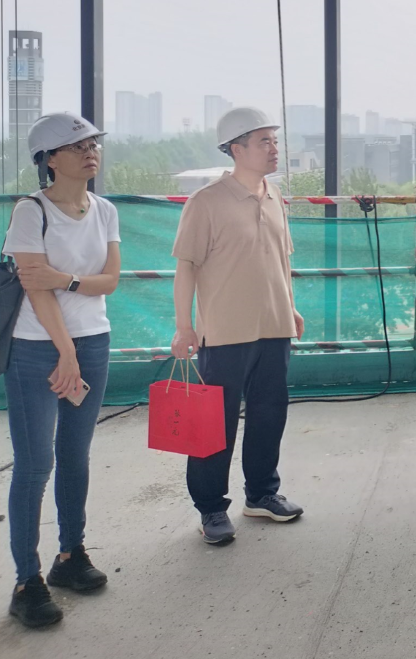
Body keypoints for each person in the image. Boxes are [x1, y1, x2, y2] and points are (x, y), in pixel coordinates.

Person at [3, 114, 120, 627]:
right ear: (49, 159)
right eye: (76, 146)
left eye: (93, 143)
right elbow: (34, 286)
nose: (90, 151)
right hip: (36, 348)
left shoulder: (105, 210)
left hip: (94, 341)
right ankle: (26, 581)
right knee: (34, 465)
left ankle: (70, 555)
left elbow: (109, 281)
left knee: (75, 454)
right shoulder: (30, 211)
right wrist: (65, 350)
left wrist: (65, 279)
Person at [171, 107, 305, 544]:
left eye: (275, 140)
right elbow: (186, 266)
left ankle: (262, 495)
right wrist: (184, 326)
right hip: (224, 333)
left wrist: (291, 308)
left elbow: (281, 259)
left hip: (274, 327)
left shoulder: (274, 196)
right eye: (264, 141)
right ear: (236, 148)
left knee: (270, 414)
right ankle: (211, 507)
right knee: (215, 424)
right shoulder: (206, 202)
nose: (274, 148)